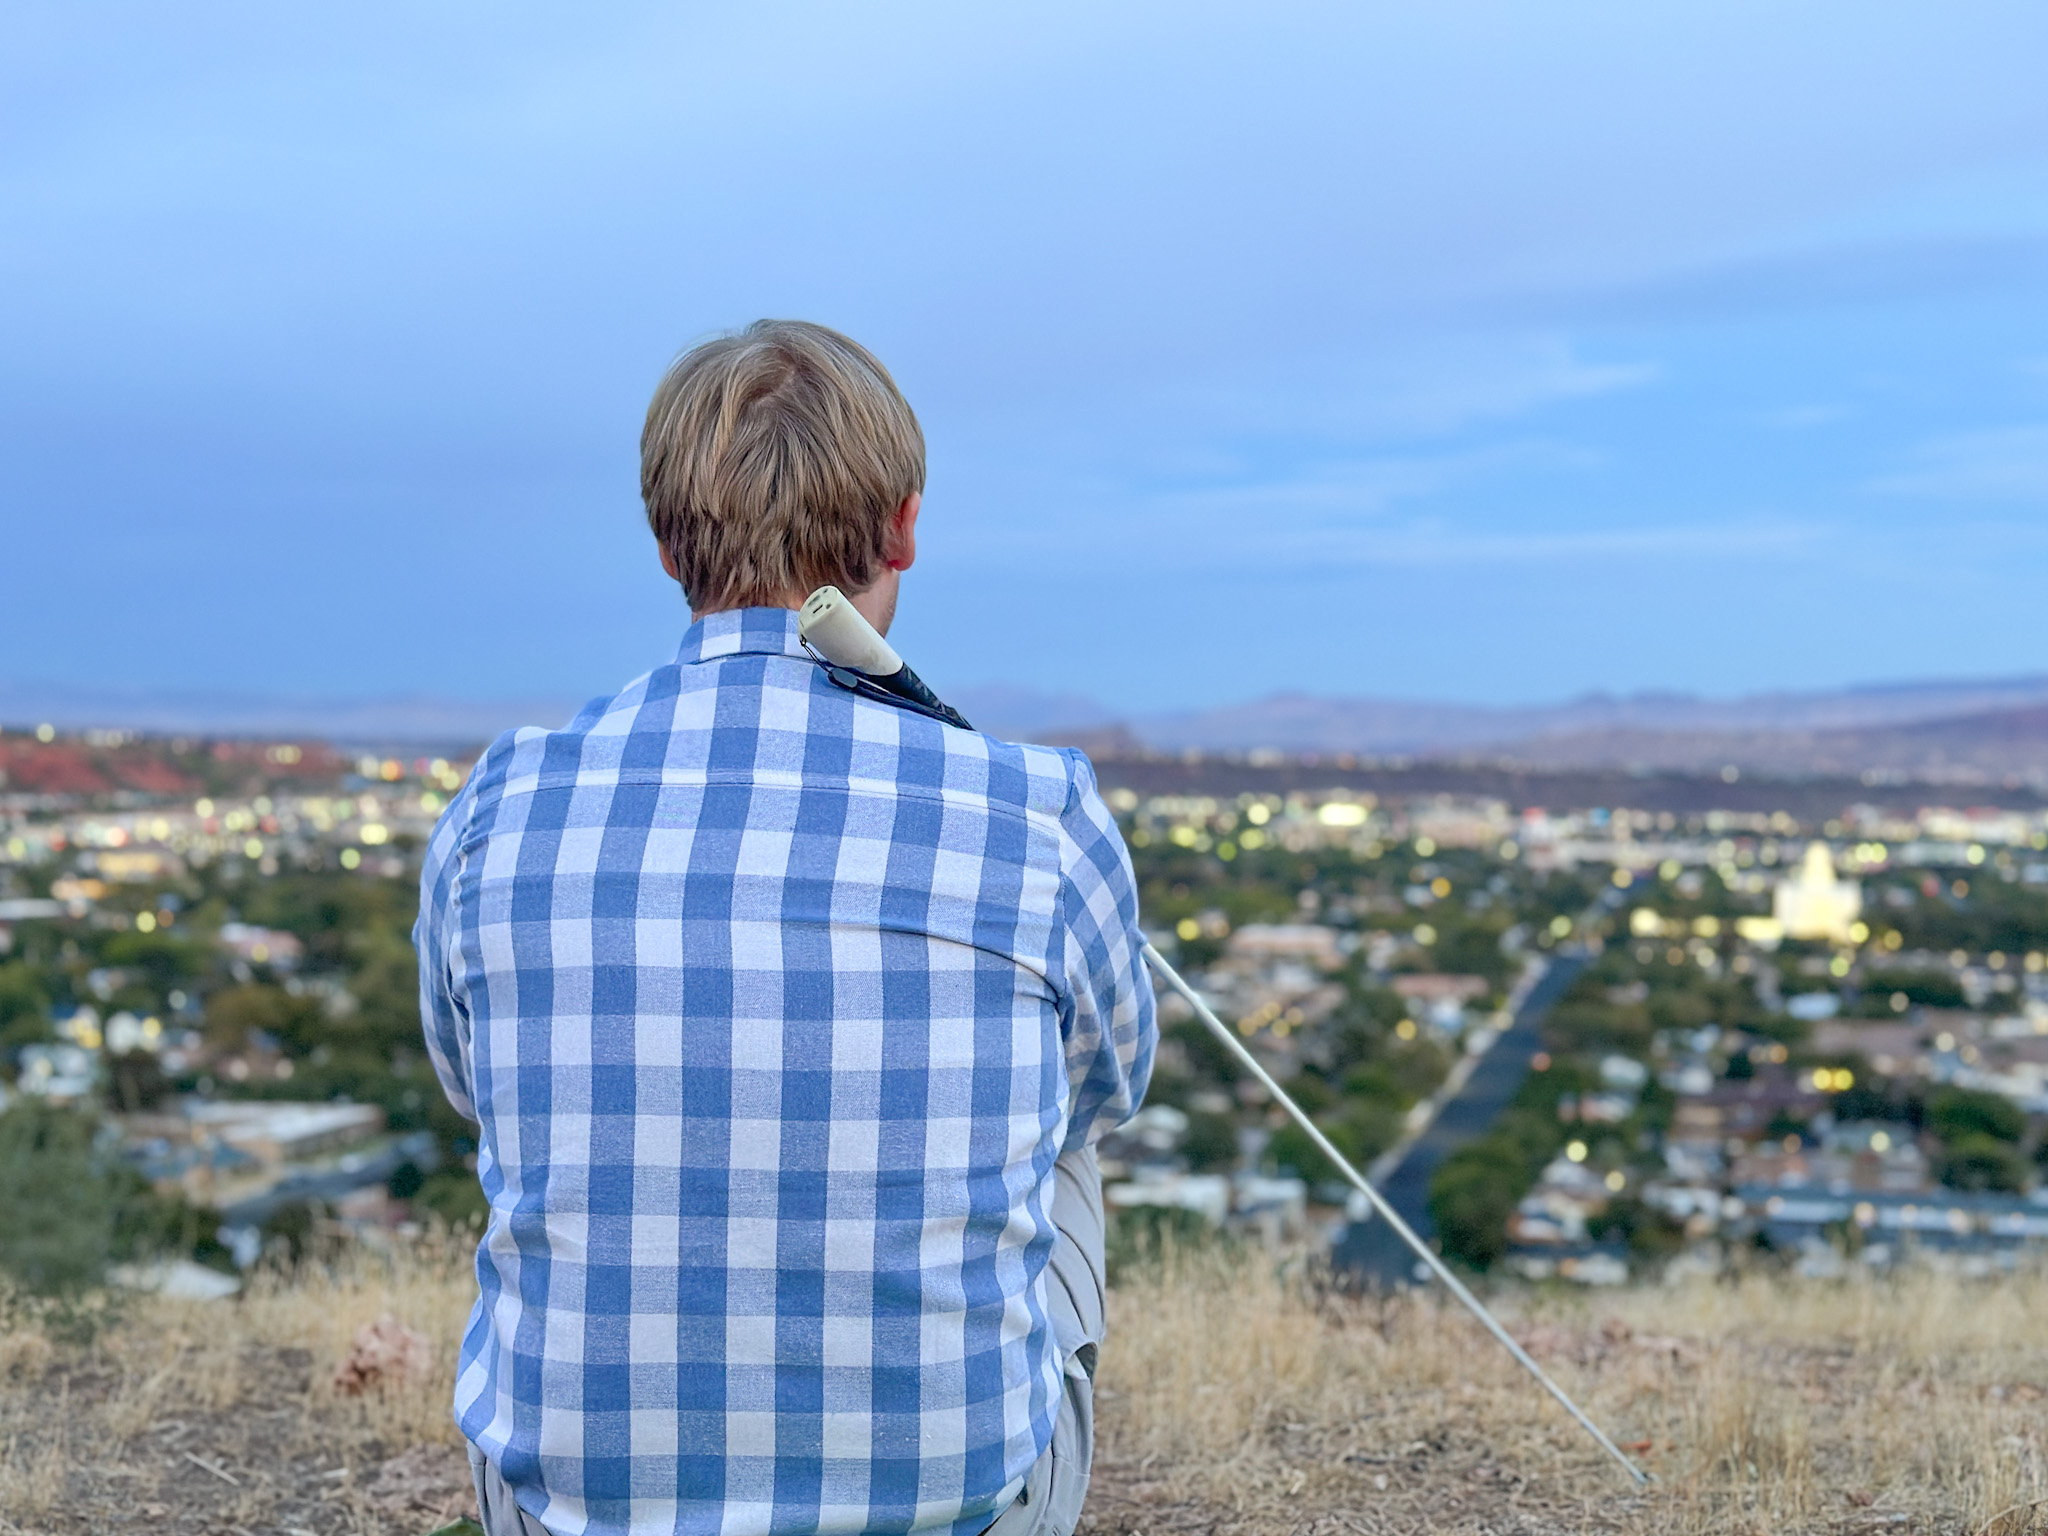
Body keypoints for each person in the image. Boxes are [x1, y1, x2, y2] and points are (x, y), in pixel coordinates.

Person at [416, 319, 1157, 1536]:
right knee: (1062, 1143)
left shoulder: (503, 801)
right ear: (905, 523)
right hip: (953, 1516)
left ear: (665, 545)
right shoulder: (1033, 810)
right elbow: (1105, 1091)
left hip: (567, 1516)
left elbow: (470, 1091)